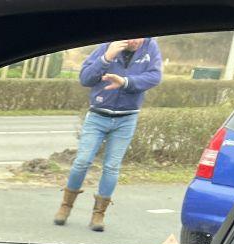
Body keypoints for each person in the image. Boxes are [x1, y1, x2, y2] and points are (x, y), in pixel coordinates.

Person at [54, 38, 163, 231]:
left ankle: (98, 215)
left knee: (112, 167)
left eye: (140, 37)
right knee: (82, 162)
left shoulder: (150, 47)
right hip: (97, 115)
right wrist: (106, 58)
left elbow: (154, 76)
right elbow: (85, 78)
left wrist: (125, 82)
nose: (136, 41)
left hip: (126, 118)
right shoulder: (106, 46)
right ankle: (65, 206)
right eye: (131, 37)